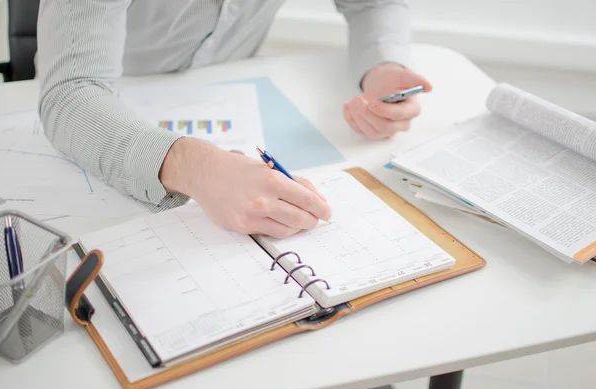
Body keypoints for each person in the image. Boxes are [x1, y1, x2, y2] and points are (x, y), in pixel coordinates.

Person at [36, 0, 431, 239]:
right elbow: (70, 92)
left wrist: (381, 64)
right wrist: (196, 167)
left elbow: (371, 4)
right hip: (110, 114)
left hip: (231, 93)